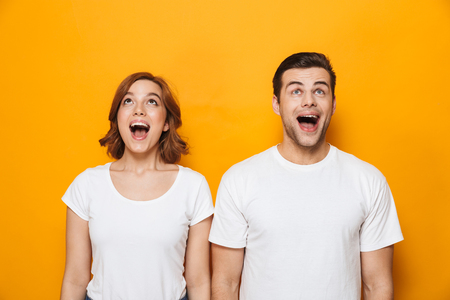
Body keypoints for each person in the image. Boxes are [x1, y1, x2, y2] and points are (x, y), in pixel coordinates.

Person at [209, 52, 403, 300]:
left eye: (320, 91)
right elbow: (225, 283)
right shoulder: (238, 180)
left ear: (332, 105)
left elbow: (378, 286)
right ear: (276, 104)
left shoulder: (369, 181)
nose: (309, 101)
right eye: (296, 91)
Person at [60, 72, 214, 300]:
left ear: (166, 123)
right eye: (128, 101)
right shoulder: (86, 185)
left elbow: (198, 281)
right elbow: (74, 279)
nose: (139, 109)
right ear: (118, 118)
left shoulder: (193, 186)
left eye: (151, 101)